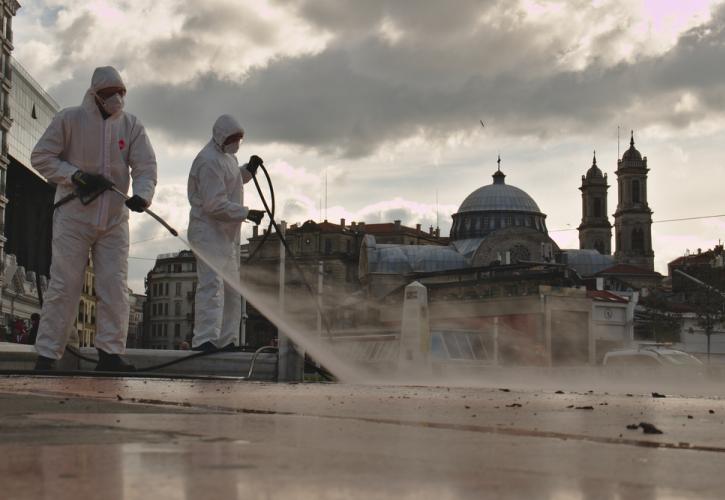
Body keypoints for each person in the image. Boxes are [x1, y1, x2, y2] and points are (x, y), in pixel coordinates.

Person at [31, 66, 157, 371]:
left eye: (121, 92)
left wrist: (143, 193)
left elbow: (145, 166)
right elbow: (41, 157)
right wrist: (74, 176)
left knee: (114, 285)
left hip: (114, 219)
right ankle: (48, 355)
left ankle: (110, 353)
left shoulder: (131, 125)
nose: (116, 98)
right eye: (109, 93)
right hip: (74, 216)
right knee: (65, 284)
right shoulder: (69, 119)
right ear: (95, 94)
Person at [187, 114, 264, 352]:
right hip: (208, 233)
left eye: (240, 138)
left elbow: (232, 179)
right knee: (212, 286)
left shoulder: (227, 157)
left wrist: (248, 171)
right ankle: (204, 340)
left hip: (226, 237)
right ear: (221, 136)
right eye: (233, 138)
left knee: (232, 291)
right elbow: (214, 205)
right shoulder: (208, 160)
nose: (237, 142)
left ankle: (226, 340)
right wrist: (246, 213)